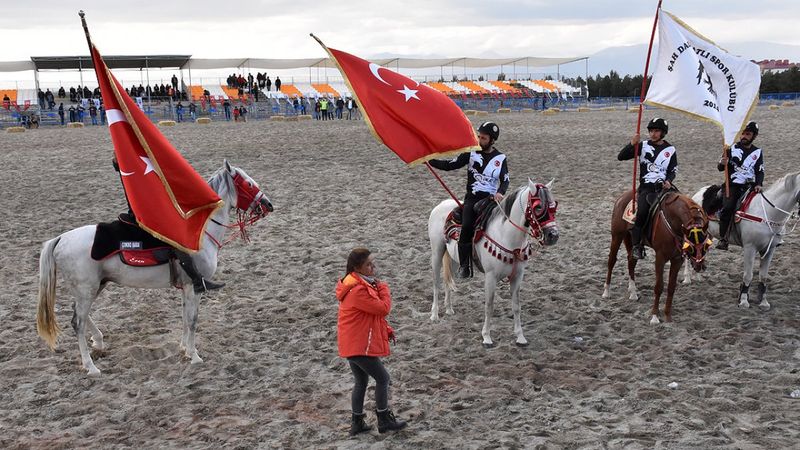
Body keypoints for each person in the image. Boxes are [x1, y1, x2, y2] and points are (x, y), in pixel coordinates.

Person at [111, 157, 225, 293]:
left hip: (148, 212)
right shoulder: (130, 175)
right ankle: (197, 281)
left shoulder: (132, 173)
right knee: (176, 239)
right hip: (143, 217)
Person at [336, 248, 407, 436]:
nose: (373, 266)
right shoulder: (359, 290)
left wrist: (386, 330)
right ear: (357, 268)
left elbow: (368, 316)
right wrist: (384, 288)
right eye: (368, 264)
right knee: (383, 378)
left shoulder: (356, 285)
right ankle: (384, 419)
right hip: (359, 345)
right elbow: (383, 308)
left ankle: (357, 422)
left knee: (361, 381)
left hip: (351, 343)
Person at [428, 122, 509, 278]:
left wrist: (500, 192)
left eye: (483, 138)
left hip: (492, 200)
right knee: (466, 228)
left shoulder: (500, 158)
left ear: (492, 140)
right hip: (472, 199)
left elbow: (505, 180)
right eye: (478, 136)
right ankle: (465, 266)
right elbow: (450, 165)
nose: (479, 139)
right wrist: (430, 160)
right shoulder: (471, 153)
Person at [617, 117, 678, 260]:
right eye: (651, 131)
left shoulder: (670, 149)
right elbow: (621, 157)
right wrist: (632, 144)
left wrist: (669, 180)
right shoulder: (643, 145)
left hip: (664, 188)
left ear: (663, 133)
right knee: (642, 213)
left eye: (656, 131)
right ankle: (637, 246)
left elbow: (673, 170)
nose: (653, 134)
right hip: (646, 189)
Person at [716, 121, 764, 250]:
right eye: (742, 133)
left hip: (750, 186)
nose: (744, 136)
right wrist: (722, 162)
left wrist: (759, 184)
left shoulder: (758, 152)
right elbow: (720, 168)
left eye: (747, 134)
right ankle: (723, 238)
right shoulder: (731, 148)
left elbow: (760, 171)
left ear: (754, 136)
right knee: (728, 207)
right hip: (733, 185)